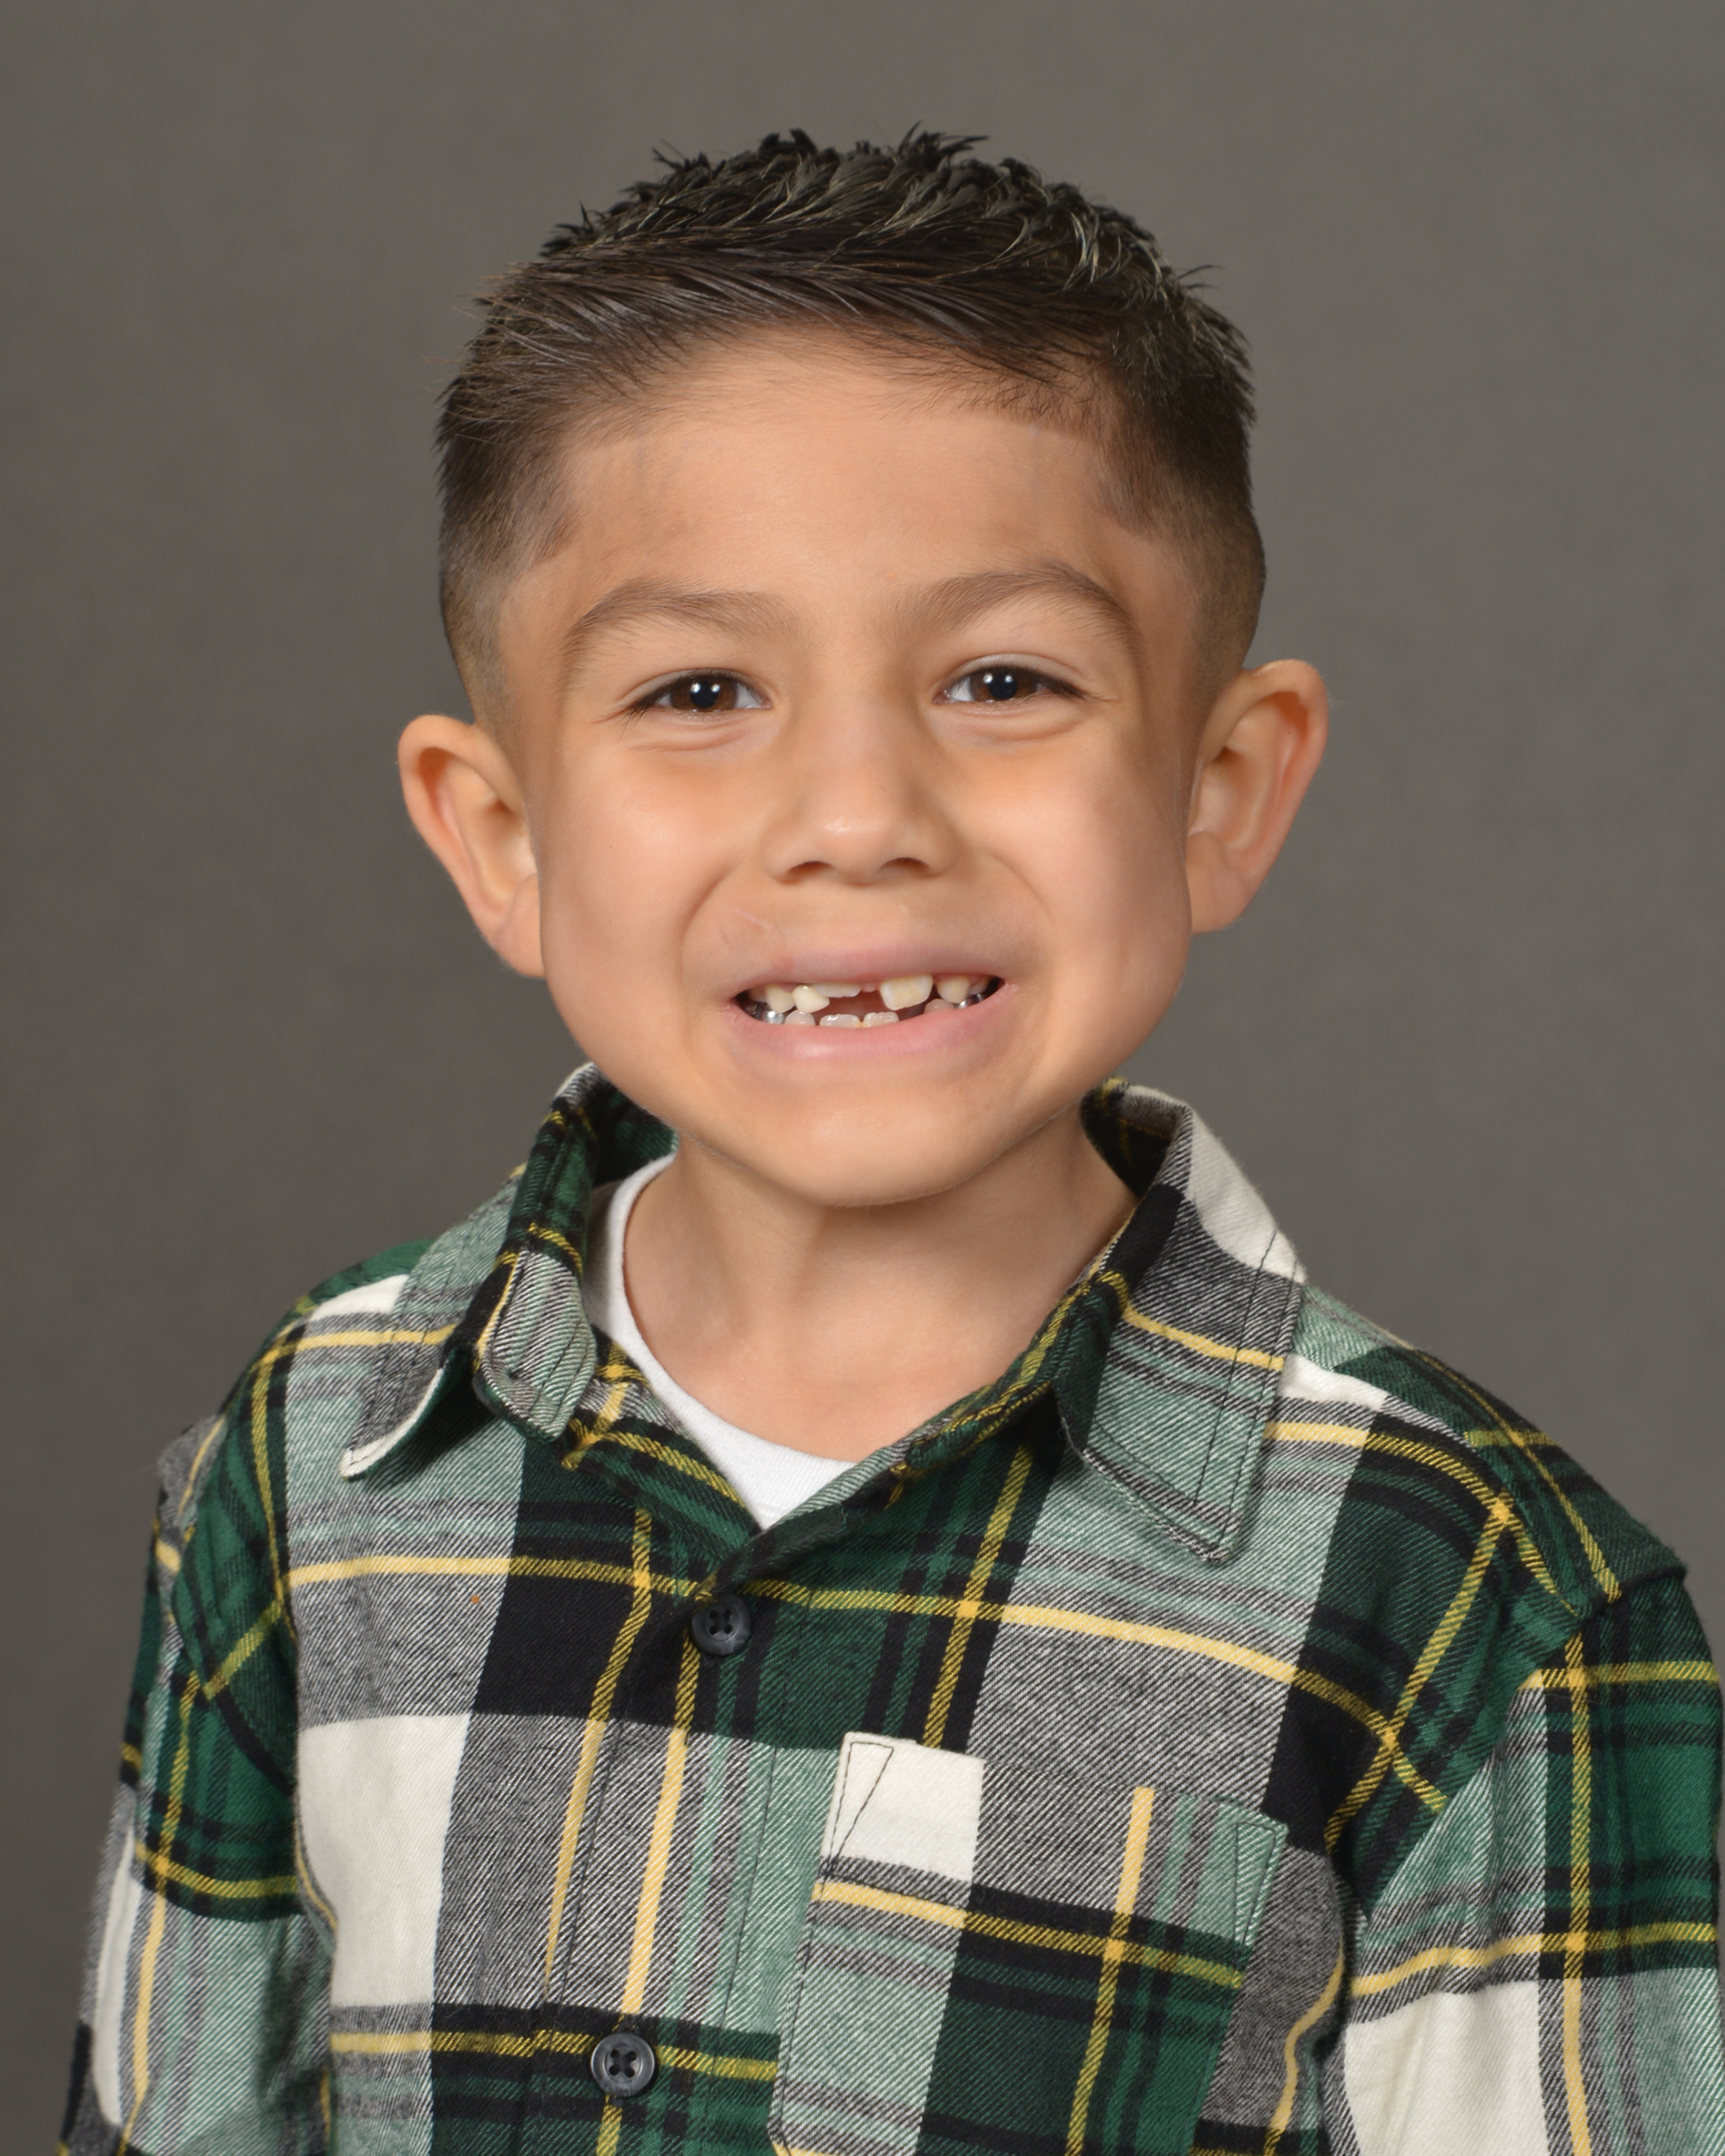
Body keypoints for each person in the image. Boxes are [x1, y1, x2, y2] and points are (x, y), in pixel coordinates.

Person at [61, 131, 1723, 2156]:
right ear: (503, 841)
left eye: (1003, 679)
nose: (856, 814)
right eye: (700, 689)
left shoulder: (1479, 1597)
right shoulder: (311, 1463)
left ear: (1220, 789)